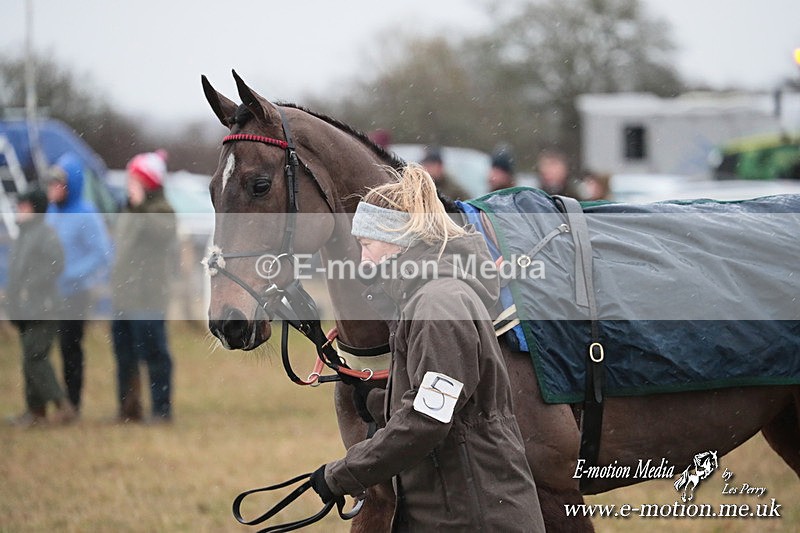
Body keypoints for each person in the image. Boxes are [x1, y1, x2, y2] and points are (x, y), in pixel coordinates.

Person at [309, 164, 545, 531]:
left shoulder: (439, 305)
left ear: (398, 240)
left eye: (367, 245)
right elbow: (443, 398)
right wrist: (376, 403)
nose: (362, 259)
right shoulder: (424, 299)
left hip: (476, 519)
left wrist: (343, 474)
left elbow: (428, 420)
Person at [110, 150, 177, 423]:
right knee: (124, 356)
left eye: (134, 178)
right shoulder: (128, 208)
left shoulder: (162, 209)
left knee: (154, 354)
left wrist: (138, 207)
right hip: (124, 297)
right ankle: (128, 409)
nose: (129, 183)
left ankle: (161, 410)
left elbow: (163, 234)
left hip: (148, 297)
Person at [46, 152, 113, 412]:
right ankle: (51, 401)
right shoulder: (52, 211)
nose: (53, 189)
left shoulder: (86, 214)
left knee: (70, 347)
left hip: (75, 293)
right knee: (46, 347)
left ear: (70, 185)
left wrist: (72, 273)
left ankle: (72, 403)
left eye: (58, 183)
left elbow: (102, 253)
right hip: (52, 291)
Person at [6, 189, 76, 427]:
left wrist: (30, 285)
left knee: (36, 357)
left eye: (24, 205)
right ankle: (35, 411)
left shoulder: (45, 234)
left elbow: (56, 264)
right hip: (25, 308)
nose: (19, 209)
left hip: (42, 308)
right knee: (29, 358)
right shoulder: (25, 234)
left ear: (34, 208)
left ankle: (62, 406)